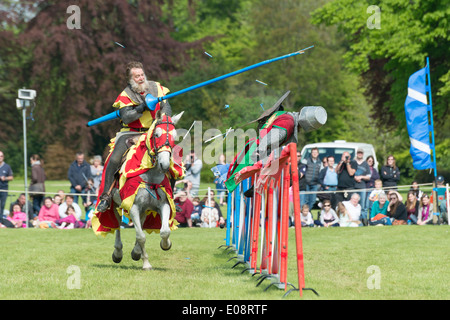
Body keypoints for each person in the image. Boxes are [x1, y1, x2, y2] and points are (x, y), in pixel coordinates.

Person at [96, 61, 172, 212]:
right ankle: (106, 196)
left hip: (153, 131)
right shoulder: (126, 95)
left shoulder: (157, 87)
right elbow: (127, 118)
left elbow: (167, 107)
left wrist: (163, 121)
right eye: (137, 76)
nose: (141, 78)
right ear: (130, 79)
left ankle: (171, 195)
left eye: (142, 74)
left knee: (171, 156)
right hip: (131, 132)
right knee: (115, 159)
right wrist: (142, 107)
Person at [353, 149, 371, 223]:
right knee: (353, 204)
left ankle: (363, 221)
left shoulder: (365, 164)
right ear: (356, 154)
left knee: (362, 206)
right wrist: (355, 177)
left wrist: (361, 177)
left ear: (363, 154)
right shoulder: (353, 162)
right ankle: (354, 220)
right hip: (353, 187)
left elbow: (369, 176)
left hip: (362, 187)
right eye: (358, 153)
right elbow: (349, 173)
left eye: (361, 153)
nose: (359, 154)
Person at [0, 150, 13, 222]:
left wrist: (5, 178)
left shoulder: (7, 166)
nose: (0, 157)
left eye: (1, 156)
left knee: (2, 205)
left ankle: (1, 221)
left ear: (3, 157)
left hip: (4, 189)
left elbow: (11, 177)